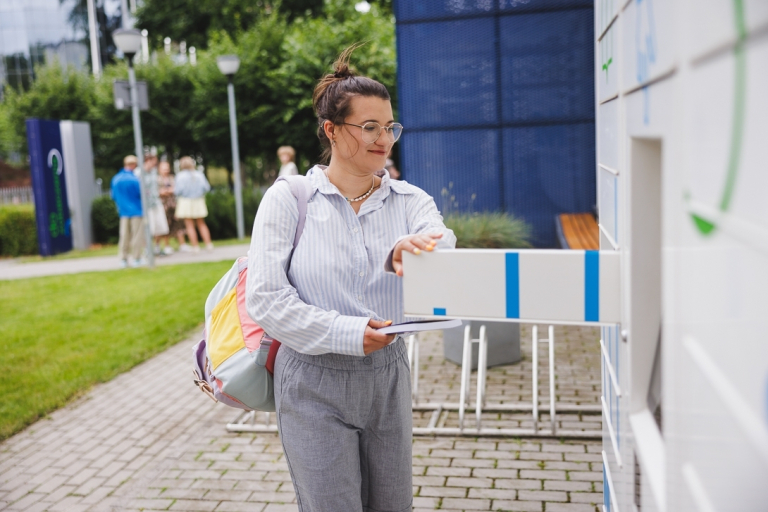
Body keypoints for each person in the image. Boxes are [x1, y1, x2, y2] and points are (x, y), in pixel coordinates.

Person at [246, 46, 456, 512]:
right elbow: (266, 299)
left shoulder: (409, 200)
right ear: (331, 130)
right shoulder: (290, 199)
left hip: (388, 375)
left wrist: (421, 250)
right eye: (369, 127)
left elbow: (444, 242)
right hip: (311, 377)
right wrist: (347, 333)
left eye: (390, 127)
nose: (384, 139)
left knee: (393, 505)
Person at [111, 155, 145, 268]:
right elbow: (141, 195)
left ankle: (123, 259)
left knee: (124, 236)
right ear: (133, 165)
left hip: (123, 212)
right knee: (136, 236)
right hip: (137, 210)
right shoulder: (135, 179)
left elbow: (114, 196)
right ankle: (136, 259)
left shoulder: (115, 179)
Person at [174, 156, 213, 252]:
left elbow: (178, 191)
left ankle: (195, 247)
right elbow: (206, 188)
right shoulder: (199, 174)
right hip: (198, 201)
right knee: (201, 223)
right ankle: (208, 244)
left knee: (189, 225)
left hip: (185, 201)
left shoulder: (180, 176)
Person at [141, 153, 170, 255]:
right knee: (149, 228)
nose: (155, 164)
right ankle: (147, 249)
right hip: (147, 206)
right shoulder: (140, 172)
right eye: (154, 161)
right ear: (147, 160)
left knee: (160, 227)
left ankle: (157, 248)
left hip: (157, 203)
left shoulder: (154, 172)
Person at [157, 161, 186, 253]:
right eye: (164, 168)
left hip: (173, 204)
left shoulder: (172, 178)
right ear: (159, 169)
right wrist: (164, 192)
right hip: (163, 206)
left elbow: (177, 189)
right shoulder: (157, 179)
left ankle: (182, 244)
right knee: (166, 225)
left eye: (167, 168)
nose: (166, 170)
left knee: (178, 224)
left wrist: (169, 191)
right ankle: (167, 246)